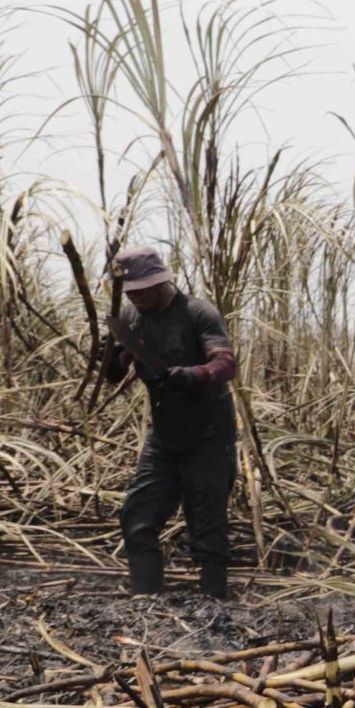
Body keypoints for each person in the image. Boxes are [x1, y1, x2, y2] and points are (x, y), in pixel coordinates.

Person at [98, 246, 241, 598]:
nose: (135, 296)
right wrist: (108, 356)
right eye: (129, 291)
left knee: (207, 525)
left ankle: (216, 604)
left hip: (209, 435)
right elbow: (116, 374)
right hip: (164, 438)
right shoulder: (131, 319)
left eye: (141, 289)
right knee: (137, 517)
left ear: (161, 282)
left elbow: (226, 363)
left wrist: (194, 374)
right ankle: (145, 600)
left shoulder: (197, 312)